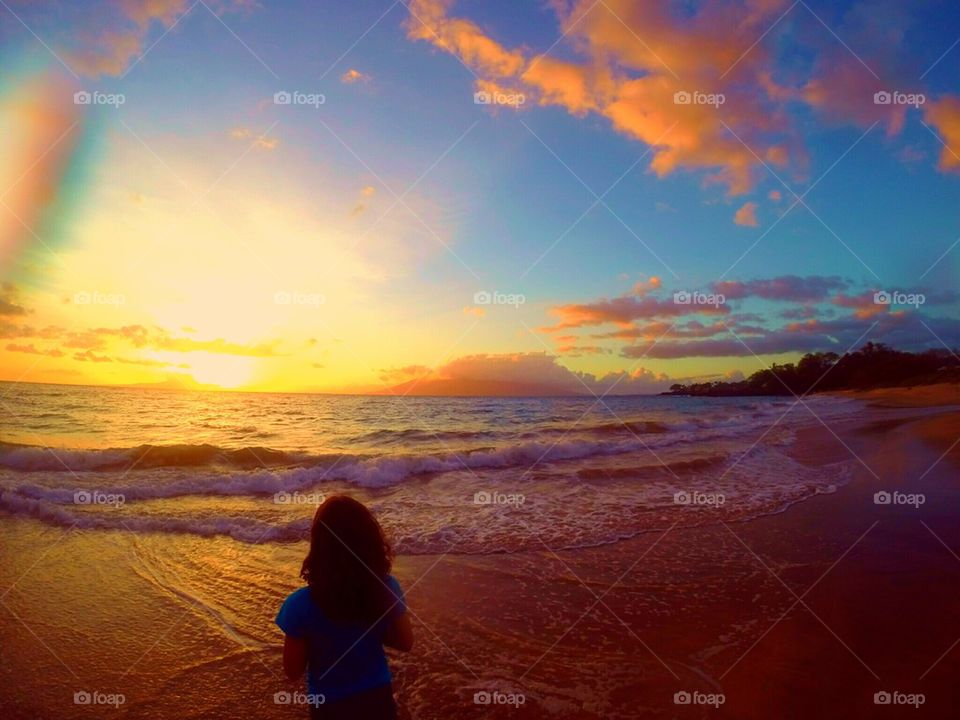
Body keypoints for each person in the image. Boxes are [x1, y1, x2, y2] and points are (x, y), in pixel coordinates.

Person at [276, 495, 413, 718]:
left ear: (319, 545)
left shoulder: (299, 604)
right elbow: (406, 643)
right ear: (369, 541)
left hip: (329, 704)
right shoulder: (386, 588)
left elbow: (293, 671)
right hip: (377, 697)